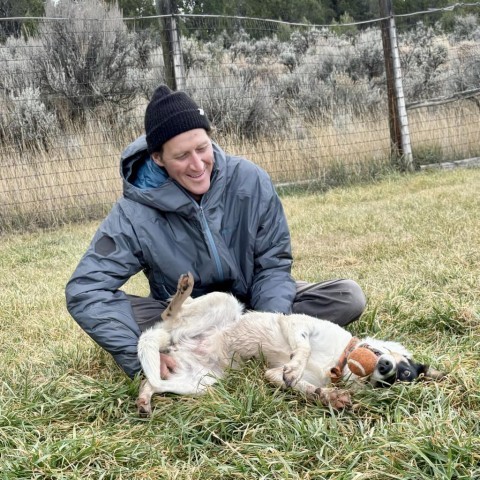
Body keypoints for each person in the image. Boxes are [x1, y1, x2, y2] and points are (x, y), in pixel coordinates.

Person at [65, 85, 366, 380]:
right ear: (158, 158)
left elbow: (273, 265)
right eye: (182, 156)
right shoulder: (133, 212)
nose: (197, 165)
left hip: (251, 305)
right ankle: (181, 349)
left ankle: (238, 347)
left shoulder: (250, 180)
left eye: (202, 148)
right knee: (125, 316)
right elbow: (86, 290)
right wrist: (136, 353)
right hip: (188, 320)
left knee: (346, 296)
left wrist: (266, 325)